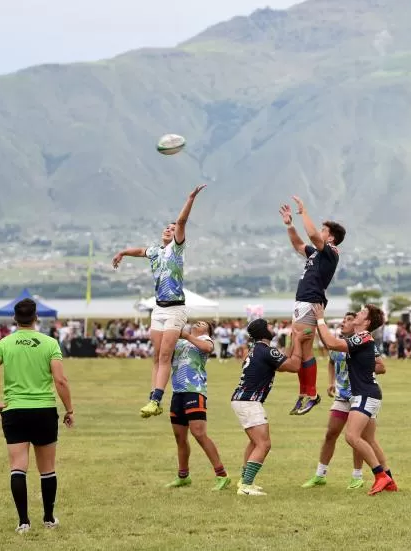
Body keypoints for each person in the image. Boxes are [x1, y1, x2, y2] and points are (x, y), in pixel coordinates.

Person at [0, 298, 74, 534]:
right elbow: (60, 380)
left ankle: (23, 522)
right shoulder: (50, 343)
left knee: (18, 467)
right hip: (43, 410)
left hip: (15, 411)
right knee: (47, 468)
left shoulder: (4, 343)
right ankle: (49, 518)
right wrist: (69, 409)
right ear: (36, 317)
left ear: (14, 318)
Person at [112, 183, 207, 418]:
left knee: (166, 356)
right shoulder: (155, 251)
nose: (169, 229)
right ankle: (153, 398)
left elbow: (182, 222)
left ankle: (156, 399)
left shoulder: (176, 248)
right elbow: (139, 251)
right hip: (159, 309)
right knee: (157, 357)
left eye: (172, 228)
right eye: (166, 227)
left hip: (176, 309)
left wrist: (190, 198)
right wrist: (123, 252)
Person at [311, 303, 396, 495]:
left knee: (351, 436)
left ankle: (380, 476)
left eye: (362, 312)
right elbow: (332, 349)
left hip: (366, 394)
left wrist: (320, 319)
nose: (357, 313)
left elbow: (332, 343)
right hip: (366, 394)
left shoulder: (363, 336)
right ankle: (390, 481)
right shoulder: (360, 338)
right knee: (368, 439)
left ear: (366, 322)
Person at [280, 195, 345, 416]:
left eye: (324, 230)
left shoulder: (331, 252)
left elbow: (311, 234)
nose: (320, 231)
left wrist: (303, 212)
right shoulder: (316, 253)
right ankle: (306, 394)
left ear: (332, 238)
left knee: (301, 349)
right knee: (299, 351)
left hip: (310, 302)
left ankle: (310, 394)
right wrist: (289, 225)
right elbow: (299, 244)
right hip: (302, 302)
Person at [229, 318, 306, 496]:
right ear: (263, 331)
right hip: (249, 401)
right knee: (264, 444)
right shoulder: (265, 350)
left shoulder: (257, 350)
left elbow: (283, 361)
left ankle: (244, 481)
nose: (272, 328)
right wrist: (298, 341)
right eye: (269, 326)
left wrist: (293, 341)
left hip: (243, 399)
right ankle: (246, 486)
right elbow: (294, 366)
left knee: (255, 442)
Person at [165, 320, 230, 491]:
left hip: (195, 390)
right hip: (177, 392)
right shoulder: (180, 341)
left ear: (207, 330)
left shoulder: (206, 339)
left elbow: (208, 349)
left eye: (202, 323)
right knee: (180, 437)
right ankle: (183, 476)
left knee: (199, 433)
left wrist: (186, 335)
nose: (197, 323)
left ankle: (222, 475)